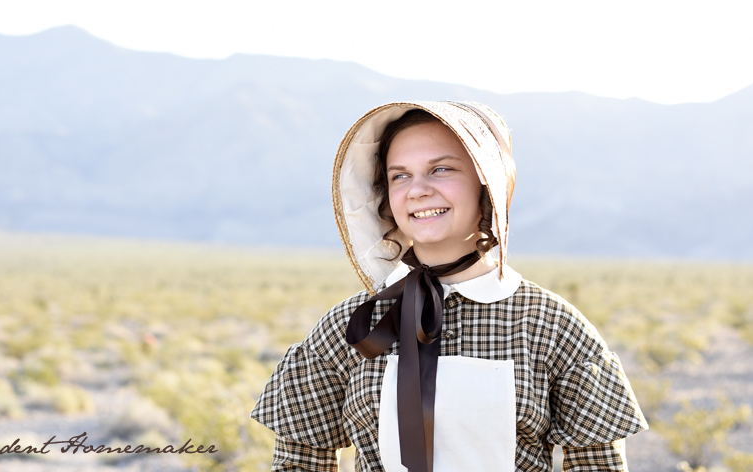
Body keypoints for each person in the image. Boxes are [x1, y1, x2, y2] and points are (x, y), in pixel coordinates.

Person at [251, 101, 648, 472]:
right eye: (400, 175)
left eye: (441, 169)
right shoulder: (353, 324)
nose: (418, 189)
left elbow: (598, 465)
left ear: (487, 184)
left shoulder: (551, 325)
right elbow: (299, 461)